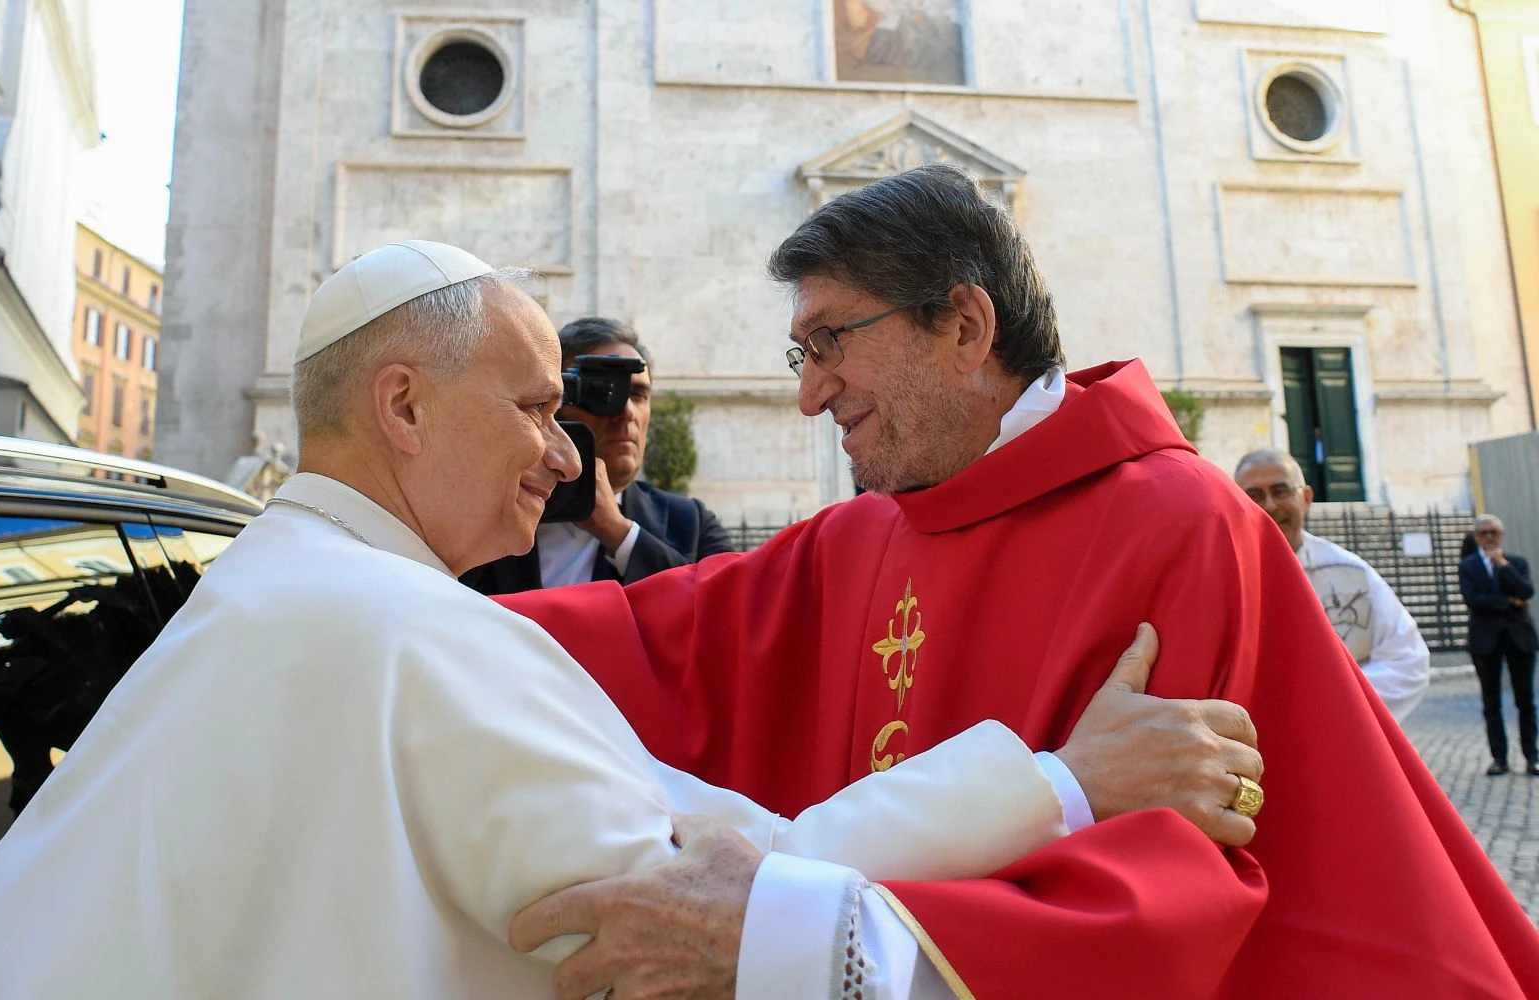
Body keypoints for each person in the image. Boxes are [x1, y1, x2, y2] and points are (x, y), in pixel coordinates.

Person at [0, 241, 1268, 998]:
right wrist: (1060, 782)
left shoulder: (270, 587)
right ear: (402, 407)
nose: (567, 455)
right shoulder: (401, 631)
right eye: (533, 408)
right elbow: (680, 912)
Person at [499, 166, 1539, 998]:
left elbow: (1174, 893)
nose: (810, 395)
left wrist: (806, 942)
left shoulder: (1176, 526)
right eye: (797, 354)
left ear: (964, 326)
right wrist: (414, 609)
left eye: (830, 342)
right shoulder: (859, 536)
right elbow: (651, 643)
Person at [461, 317, 733, 595]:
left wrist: (621, 535)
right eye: (604, 392)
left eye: (638, 394)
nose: (626, 411)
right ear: (553, 403)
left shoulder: (691, 524)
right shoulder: (483, 518)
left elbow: (727, 605)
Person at [1232, 449, 1430, 720]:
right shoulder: (1222, 579)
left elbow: (1408, 661)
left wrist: (1328, 698)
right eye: (1254, 496)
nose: (1270, 506)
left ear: (1307, 498)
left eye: (1280, 491)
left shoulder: (1349, 573)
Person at [1459, 514, 1538, 776]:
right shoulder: (1468, 566)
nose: (1489, 537)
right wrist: (1510, 602)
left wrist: (1502, 565)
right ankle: (1499, 758)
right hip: (1485, 640)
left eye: (1494, 532)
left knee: (1525, 701)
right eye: (1484, 533)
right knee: (1491, 703)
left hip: (1519, 638)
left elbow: (1526, 591)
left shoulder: (1516, 563)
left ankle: (1532, 756)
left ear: (1501, 535)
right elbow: (1473, 599)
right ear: (1476, 537)